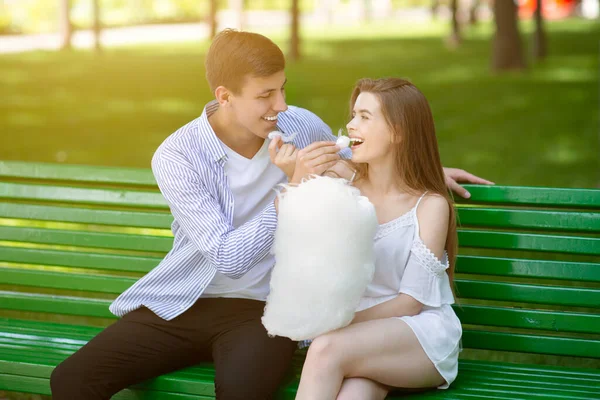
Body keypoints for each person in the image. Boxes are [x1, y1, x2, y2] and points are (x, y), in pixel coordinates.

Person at [50, 29, 489, 400]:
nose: (280, 105)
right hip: (186, 301)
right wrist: (291, 189)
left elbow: (362, 152)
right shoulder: (178, 156)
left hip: (263, 311)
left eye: (282, 88)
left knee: (245, 392)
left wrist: (428, 170)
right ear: (225, 97)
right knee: (70, 380)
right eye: (265, 95)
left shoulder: (297, 124)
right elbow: (228, 257)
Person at [274, 77, 464, 400]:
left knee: (323, 349)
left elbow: (411, 302)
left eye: (365, 117)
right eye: (353, 115)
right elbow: (293, 231)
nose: (351, 124)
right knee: (355, 395)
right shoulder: (340, 181)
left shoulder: (429, 206)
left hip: (418, 334)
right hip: (360, 341)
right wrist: (296, 180)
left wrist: (334, 323)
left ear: (398, 131)